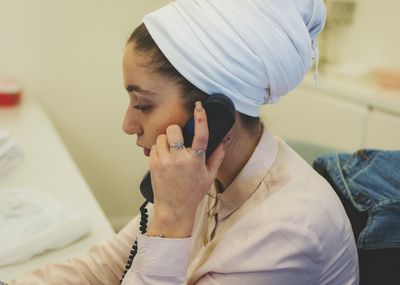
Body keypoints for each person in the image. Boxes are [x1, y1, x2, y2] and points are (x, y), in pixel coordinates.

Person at [9, 0, 359, 284]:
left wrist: (173, 219)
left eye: (143, 105)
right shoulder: (202, 173)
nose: (128, 125)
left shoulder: (287, 232)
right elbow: (105, 266)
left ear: (213, 113)